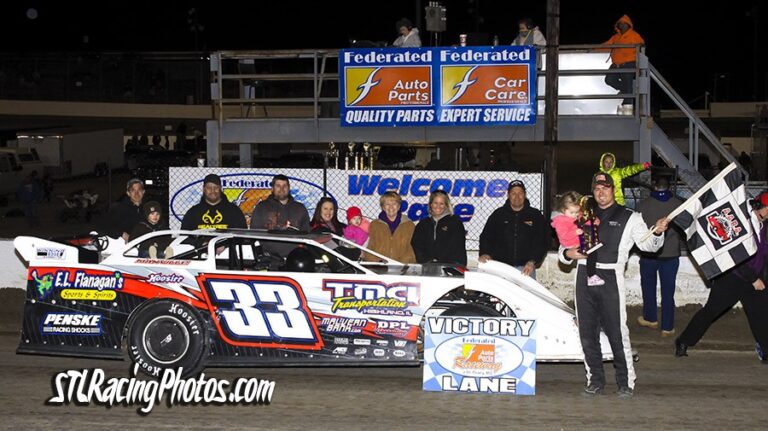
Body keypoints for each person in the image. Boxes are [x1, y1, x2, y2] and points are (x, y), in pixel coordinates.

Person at [560, 172, 669, 398]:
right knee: (587, 333)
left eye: (605, 188)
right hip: (583, 276)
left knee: (617, 332)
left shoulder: (630, 216)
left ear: (613, 189)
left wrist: (657, 232)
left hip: (611, 278)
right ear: (593, 190)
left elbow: (649, 246)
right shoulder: (583, 213)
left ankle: (625, 382)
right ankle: (595, 380)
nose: (601, 192)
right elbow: (565, 244)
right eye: (597, 188)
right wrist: (567, 254)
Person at [675, 190, 768, 363]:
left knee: (761, 314)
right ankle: (683, 341)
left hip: (754, 278)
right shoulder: (743, 221)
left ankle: (765, 350)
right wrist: (754, 279)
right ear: (760, 206)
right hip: (732, 279)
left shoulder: (761, 224)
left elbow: (761, 251)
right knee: (710, 312)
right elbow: (736, 255)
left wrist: (759, 276)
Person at [635, 177, 684, 337]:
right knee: (668, 292)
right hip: (670, 255)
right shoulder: (678, 205)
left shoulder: (643, 205)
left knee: (648, 287)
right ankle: (667, 327)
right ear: (669, 187)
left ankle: (650, 318)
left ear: (654, 187)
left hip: (649, 254)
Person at [479, 180, 548, 279]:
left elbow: (542, 240)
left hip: (526, 268)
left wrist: (532, 261)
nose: (517, 196)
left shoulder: (535, 215)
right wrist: (484, 253)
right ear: (508, 195)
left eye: (520, 193)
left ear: (525, 195)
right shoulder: (498, 214)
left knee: (525, 294)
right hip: (501, 267)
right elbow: (486, 236)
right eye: (513, 193)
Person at [551, 191, 604, 286]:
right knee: (592, 253)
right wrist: (575, 232)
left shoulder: (577, 215)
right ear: (563, 209)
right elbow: (563, 236)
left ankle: (592, 275)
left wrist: (594, 222)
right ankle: (591, 276)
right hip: (570, 244)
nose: (575, 215)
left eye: (577, 212)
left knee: (593, 252)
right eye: (572, 212)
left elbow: (585, 221)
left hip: (580, 241)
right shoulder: (560, 221)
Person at [411, 190, 467, 266]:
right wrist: (427, 261)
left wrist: (440, 262)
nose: (438, 206)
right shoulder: (423, 224)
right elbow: (416, 244)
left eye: (441, 204)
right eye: (435, 203)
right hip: (427, 266)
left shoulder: (455, 223)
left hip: (450, 266)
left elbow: (457, 248)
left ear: (446, 205)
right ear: (430, 204)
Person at [602, 15, 645, 107]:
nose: (622, 25)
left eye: (624, 23)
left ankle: (627, 106)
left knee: (628, 81)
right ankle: (626, 90)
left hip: (629, 63)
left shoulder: (634, 35)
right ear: (618, 25)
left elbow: (642, 44)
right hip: (616, 64)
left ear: (628, 25)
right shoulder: (615, 37)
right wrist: (591, 49)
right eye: (620, 24)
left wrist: (640, 47)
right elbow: (605, 46)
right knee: (609, 80)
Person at [363, 191, 416, 263]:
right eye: (387, 204)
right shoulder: (375, 224)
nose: (391, 207)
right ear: (383, 207)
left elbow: (412, 249)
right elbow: (370, 247)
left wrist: (401, 264)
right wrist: (378, 262)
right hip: (380, 266)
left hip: (403, 266)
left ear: (399, 206)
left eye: (394, 204)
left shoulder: (409, 224)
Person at [181, 174, 247, 230]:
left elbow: (241, 235)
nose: (213, 191)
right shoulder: (193, 212)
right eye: (209, 188)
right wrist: (200, 244)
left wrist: (225, 244)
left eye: (216, 187)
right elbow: (184, 236)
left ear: (220, 188)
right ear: (203, 189)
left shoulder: (234, 211)